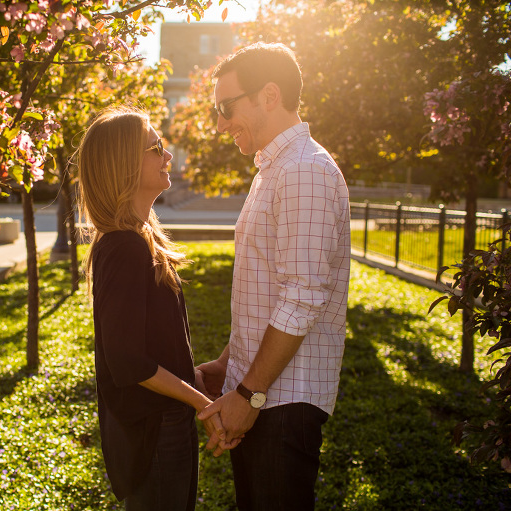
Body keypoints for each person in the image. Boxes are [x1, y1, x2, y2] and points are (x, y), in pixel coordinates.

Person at [195, 42, 351, 510]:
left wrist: (247, 394)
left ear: (269, 95)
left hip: (282, 403)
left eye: (226, 108)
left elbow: (302, 297)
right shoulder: (276, 167)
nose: (220, 124)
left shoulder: (304, 170)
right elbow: (268, 294)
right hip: (264, 395)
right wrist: (228, 365)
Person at [76, 105, 229, 510]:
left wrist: (193, 379)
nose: (168, 156)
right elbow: (128, 361)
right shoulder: (124, 247)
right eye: (156, 148)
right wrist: (200, 402)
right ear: (124, 164)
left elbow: (152, 343)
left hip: (165, 422)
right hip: (154, 432)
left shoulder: (139, 238)